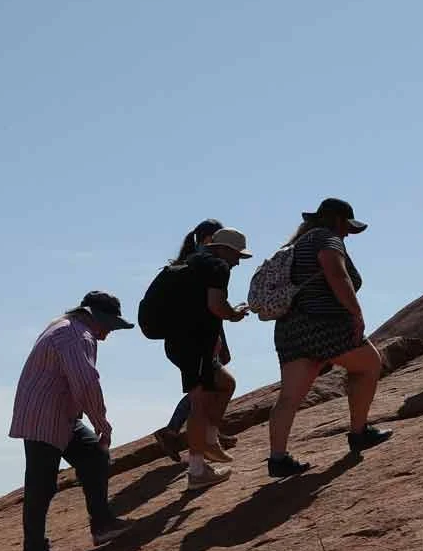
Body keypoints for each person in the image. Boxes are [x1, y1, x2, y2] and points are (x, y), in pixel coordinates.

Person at [9, 292, 134, 551]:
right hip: (46, 414)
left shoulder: (64, 326)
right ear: (96, 318)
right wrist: (102, 422)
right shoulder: (78, 335)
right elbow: (85, 381)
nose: (107, 334)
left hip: (55, 413)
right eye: (110, 326)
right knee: (41, 485)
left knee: (94, 456)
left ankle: (102, 525)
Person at [266, 199, 393, 477]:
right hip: (325, 323)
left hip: (291, 328)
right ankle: (359, 432)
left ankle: (277, 458)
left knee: (289, 396)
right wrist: (356, 313)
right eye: (347, 226)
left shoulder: (299, 243)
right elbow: (337, 274)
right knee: (370, 363)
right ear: (337, 221)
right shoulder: (327, 238)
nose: (347, 233)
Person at [165, 228, 253, 490]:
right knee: (200, 403)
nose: (237, 262)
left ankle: (211, 442)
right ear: (224, 249)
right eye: (237, 255)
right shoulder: (216, 267)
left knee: (226, 384)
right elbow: (216, 306)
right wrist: (234, 314)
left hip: (182, 343)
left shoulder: (191, 264)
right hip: (194, 346)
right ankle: (197, 471)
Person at [152, 219, 233, 463]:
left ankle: (204, 434)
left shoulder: (184, 263)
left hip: (186, 335)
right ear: (210, 239)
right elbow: (212, 305)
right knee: (204, 388)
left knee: (208, 384)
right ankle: (185, 436)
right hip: (198, 334)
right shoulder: (208, 263)